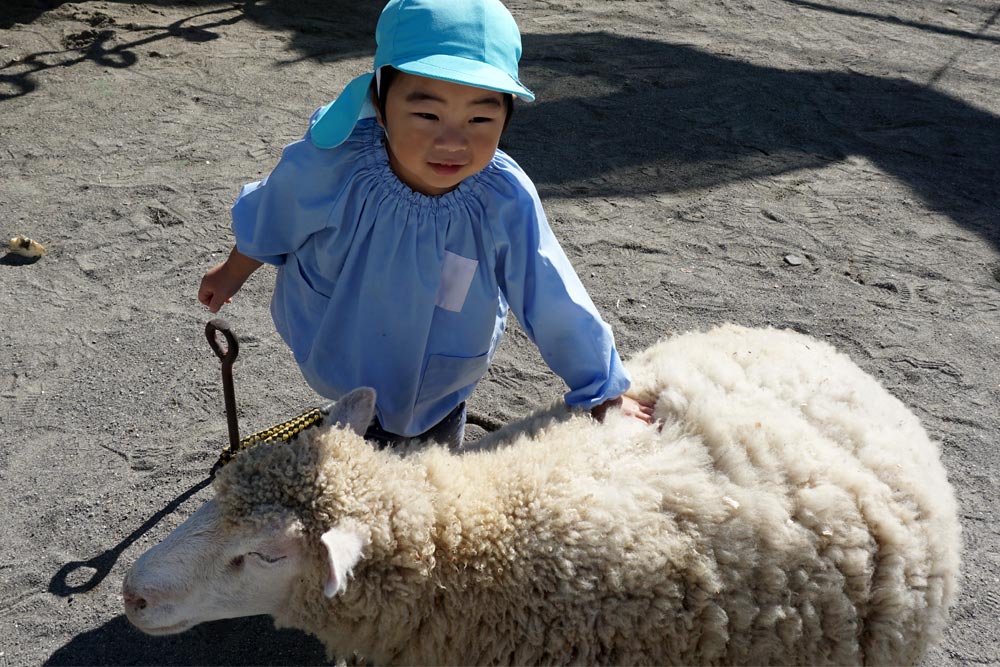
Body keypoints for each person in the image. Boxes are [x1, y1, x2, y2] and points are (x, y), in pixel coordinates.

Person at [198, 0, 654, 448]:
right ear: (380, 103)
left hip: (443, 374)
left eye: (480, 117)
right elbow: (278, 213)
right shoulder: (335, 164)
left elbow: (551, 292)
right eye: (427, 114)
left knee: (433, 480)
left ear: (507, 116)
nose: (453, 141)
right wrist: (233, 270)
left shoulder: (502, 199)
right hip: (348, 343)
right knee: (349, 468)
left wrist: (603, 389)